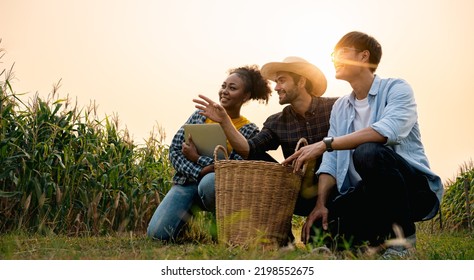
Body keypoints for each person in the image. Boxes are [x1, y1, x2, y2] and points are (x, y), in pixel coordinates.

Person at [283, 31, 443, 257]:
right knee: (319, 233)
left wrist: (325, 143)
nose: (334, 59)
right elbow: (330, 161)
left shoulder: (397, 89)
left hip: (412, 191)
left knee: (368, 152)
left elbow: (387, 131)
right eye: (332, 54)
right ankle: (375, 238)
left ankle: (403, 243)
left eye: (342, 53)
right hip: (365, 193)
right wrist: (321, 204)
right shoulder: (340, 107)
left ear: (363, 56)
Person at [193, 57, 338, 240]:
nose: (276, 87)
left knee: (323, 242)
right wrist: (225, 121)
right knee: (257, 156)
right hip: (296, 195)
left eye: (282, 80)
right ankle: (277, 233)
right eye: (276, 82)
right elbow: (249, 150)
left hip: (337, 192)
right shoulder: (276, 121)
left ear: (301, 81)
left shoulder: (335, 107)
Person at [147, 65, 272, 241]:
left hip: (218, 187)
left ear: (246, 96)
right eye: (223, 86)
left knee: (209, 182)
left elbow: (231, 167)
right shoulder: (199, 115)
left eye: (232, 88)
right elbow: (175, 151)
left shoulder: (248, 130)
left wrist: (196, 158)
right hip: (187, 182)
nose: (224, 91)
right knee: (157, 235)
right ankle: (185, 222)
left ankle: (221, 231)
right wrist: (202, 170)